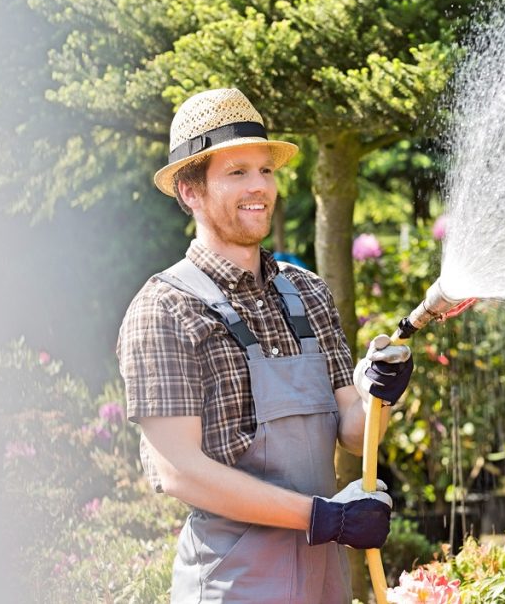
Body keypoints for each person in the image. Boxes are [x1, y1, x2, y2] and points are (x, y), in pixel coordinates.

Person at [117, 88, 414, 603]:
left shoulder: (307, 293)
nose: (260, 187)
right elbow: (180, 471)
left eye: (265, 170)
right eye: (237, 173)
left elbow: (352, 431)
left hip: (324, 579)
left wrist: (379, 394)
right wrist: (325, 517)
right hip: (235, 585)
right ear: (190, 191)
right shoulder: (164, 310)